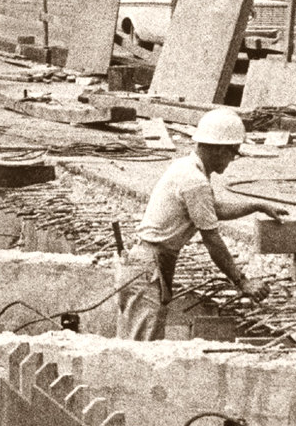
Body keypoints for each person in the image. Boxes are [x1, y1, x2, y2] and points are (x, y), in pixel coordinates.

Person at [114, 108, 286, 340]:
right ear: (217, 149)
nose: (233, 159)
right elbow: (212, 240)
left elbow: (212, 210)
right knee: (144, 349)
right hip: (148, 269)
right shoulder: (194, 181)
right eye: (232, 152)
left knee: (141, 345)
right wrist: (241, 281)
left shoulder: (186, 168)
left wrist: (256, 206)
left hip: (148, 265)